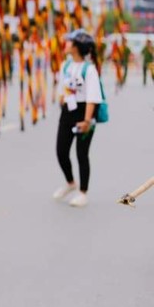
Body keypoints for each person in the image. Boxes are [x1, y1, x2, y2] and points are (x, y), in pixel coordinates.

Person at [53, 29, 103, 207]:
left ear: (77, 47)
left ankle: (83, 192)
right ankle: (70, 183)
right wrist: (62, 99)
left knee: (82, 154)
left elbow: (92, 98)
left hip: (85, 113)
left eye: (70, 41)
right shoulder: (66, 65)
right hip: (68, 110)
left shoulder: (89, 70)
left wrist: (87, 120)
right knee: (61, 151)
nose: (66, 43)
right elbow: (61, 88)